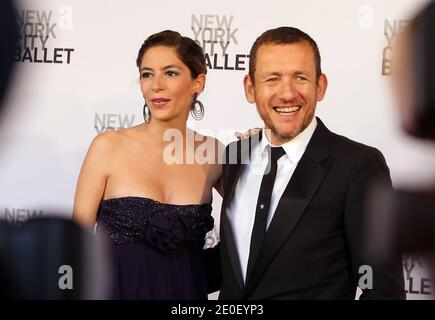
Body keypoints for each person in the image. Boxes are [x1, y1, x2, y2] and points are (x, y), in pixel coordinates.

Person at [206, 26, 405, 299]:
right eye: (272, 79)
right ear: (250, 88)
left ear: (320, 86)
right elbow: (237, 261)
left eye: (300, 78)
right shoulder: (235, 156)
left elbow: (378, 284)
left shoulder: (357, 166)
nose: (287, 94)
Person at [73, 30, 223, 299]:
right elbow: (73, 245)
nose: (156, 85)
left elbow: (261, 221)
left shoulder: (213, 153)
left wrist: (263, 153)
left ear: (197, 83)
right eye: (146, 74)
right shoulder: (108, 146)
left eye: (170, 73)